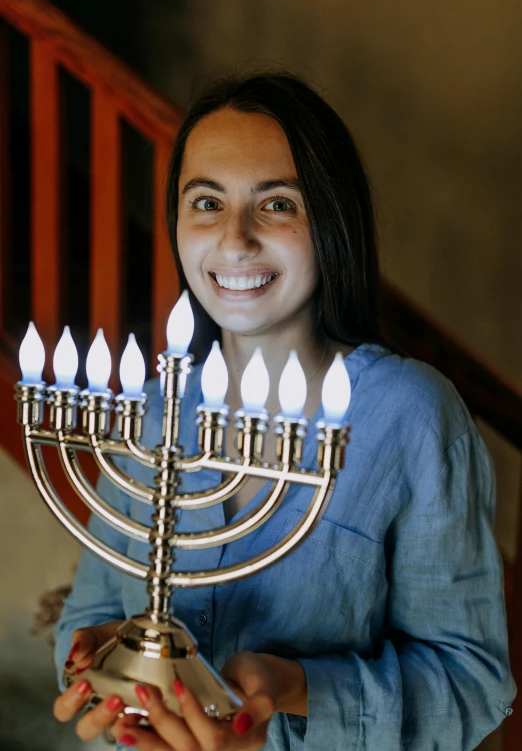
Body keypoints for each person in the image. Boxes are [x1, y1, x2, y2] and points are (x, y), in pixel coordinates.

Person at [53, 72, 516, 750]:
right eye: (206, 201)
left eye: (275, 205)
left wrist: (292, 686)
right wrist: (96, 659)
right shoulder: (150, 412)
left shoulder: (408, 415)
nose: (234, 240)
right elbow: (89, 612)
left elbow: (473, 685)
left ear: (331, 223)